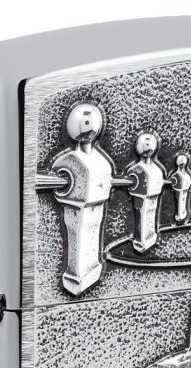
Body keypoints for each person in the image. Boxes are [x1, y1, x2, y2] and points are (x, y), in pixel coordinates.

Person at [49, 103, 113, 295]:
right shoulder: (77, 161)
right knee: (77, 228)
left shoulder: (98, 161)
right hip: (78, 209)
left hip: (94, 206)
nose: (87, 126)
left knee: (89, 225)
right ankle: (77, 275)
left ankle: (82, 273)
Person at [126, 132, 167, 252]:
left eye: (149, 144)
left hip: (152, 196)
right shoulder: (137, 169)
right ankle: (142, 240)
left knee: (149, 212)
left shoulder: (156, 170)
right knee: (142, 213)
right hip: (140, 198)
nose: (147, 147)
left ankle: (146, 238)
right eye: (145, 144)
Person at [169, 153, 191, 224]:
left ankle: (182, 216)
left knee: (183, 202)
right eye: (180, 164)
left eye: (183, 164)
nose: (182, 165)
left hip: (185, 191)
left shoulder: (186, 174)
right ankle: (179, 216)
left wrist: (190, 183)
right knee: (180, 202)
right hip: (178, 192)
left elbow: (190, 181)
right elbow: (172, 181)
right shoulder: (175, 174)